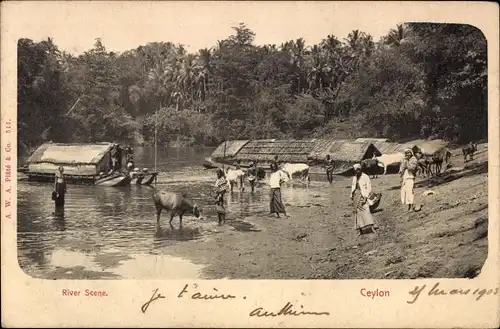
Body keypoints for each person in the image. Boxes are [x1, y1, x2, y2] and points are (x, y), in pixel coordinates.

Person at [350, 164, 376, 236]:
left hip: (363, 195)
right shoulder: (355, 177)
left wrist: (365, 197)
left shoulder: (365, 177)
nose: (357, 171)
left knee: (366, 210)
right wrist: (351, 196)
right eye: (356, 170)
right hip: (356, 195)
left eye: (358, 170)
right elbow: (353, 187)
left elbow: (369, 188)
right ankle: (360, 229)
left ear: (361, 169)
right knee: (357, 212)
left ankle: (372, 227)